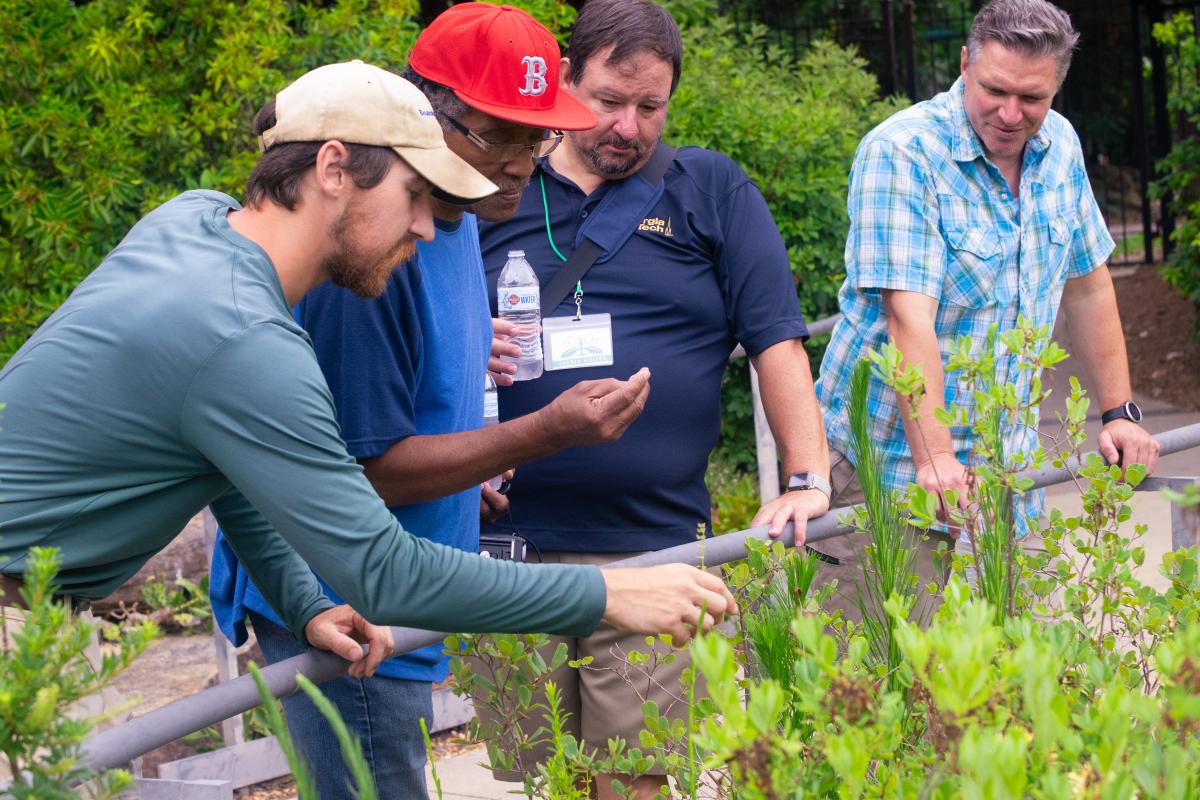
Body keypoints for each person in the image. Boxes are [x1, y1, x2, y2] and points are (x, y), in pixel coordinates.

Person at [0, 58, 736, 755]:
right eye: (414, 197)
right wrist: (609, 592)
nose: (426, 228)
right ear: (332, 169)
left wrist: (303, 603)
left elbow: (230, 464)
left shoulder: (196, 225)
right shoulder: (241, 340)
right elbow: (387, 575)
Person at [207, 6, 637, 796]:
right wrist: (545, 432)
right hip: (347, 613)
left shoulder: (462, 214)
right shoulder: (368, 257)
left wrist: (463, 464)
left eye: (534, 137)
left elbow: (407, 402)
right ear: (423, 115)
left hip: (400, 599)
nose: (517, 163)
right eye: (495, 133)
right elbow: (357, 473)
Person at [476, 1, 830, 795]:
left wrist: (808, 478)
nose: (628, 127)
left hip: (657, 549)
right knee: (540, 785)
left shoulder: (709, 186)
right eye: (608, 100)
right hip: (510, 554)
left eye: (651, 105)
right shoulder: (498, 188)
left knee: (639, 782)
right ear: (566, 83)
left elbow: (777, 337)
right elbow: (422, 336)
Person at [813, 0, 1160, 610]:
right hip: (889, 469)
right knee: (867, 687)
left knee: (1005, 683)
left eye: (1032, 98)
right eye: (994, 90)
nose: (1010, 114)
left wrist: (1119, 413)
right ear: (966, 63)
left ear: (1056, 85)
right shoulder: (903, 152)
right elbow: (906, 318)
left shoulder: (1060, 145)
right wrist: (938, 457)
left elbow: (1087, 283)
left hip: (1007, 474)